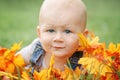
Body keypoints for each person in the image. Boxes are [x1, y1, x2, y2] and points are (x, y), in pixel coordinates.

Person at [17, 0, 87, 72]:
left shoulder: (85, 60)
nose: (58, 38)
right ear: (39, 33)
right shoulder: (35, 49)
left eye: (67, 31)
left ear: (83, 37)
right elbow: (13, 62)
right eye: (51, 30)